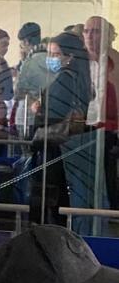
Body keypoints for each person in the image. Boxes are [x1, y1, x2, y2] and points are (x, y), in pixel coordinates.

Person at [29, 31, 91, 224]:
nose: (50, 59)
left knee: (49, 208)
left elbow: (52, 118)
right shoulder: (81, 79)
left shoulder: (63, 80)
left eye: (55, 55)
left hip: (54, 152)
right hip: (69, 153)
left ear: (70, 57)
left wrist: (39, 113)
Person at [83, 15, 119, 209]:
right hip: (79, 131)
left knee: (107, 176)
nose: (89, 36)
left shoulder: (115, 63)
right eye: (86, 31)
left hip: (108, 131)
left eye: (95, 31)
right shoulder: (76, 63)